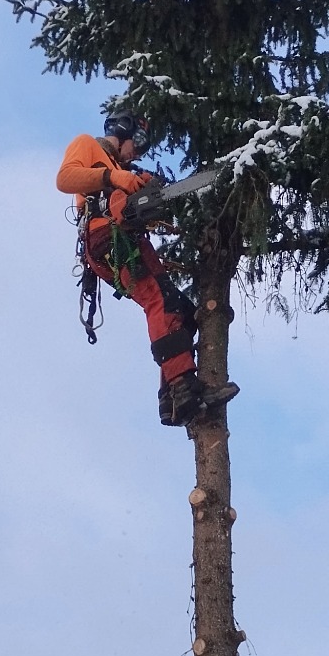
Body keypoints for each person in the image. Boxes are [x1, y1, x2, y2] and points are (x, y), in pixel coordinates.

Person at [56, 114, 237, 429]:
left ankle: (170, 400)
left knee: (180, 310)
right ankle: (185, 388)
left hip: (129, 240)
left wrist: (147, 190)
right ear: (123, 133)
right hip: (106, 240)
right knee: (159, 302)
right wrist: (113, 179)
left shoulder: (126, 171)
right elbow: (65, 179)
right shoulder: (88, 146)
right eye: (137, 144)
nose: (137, 153)